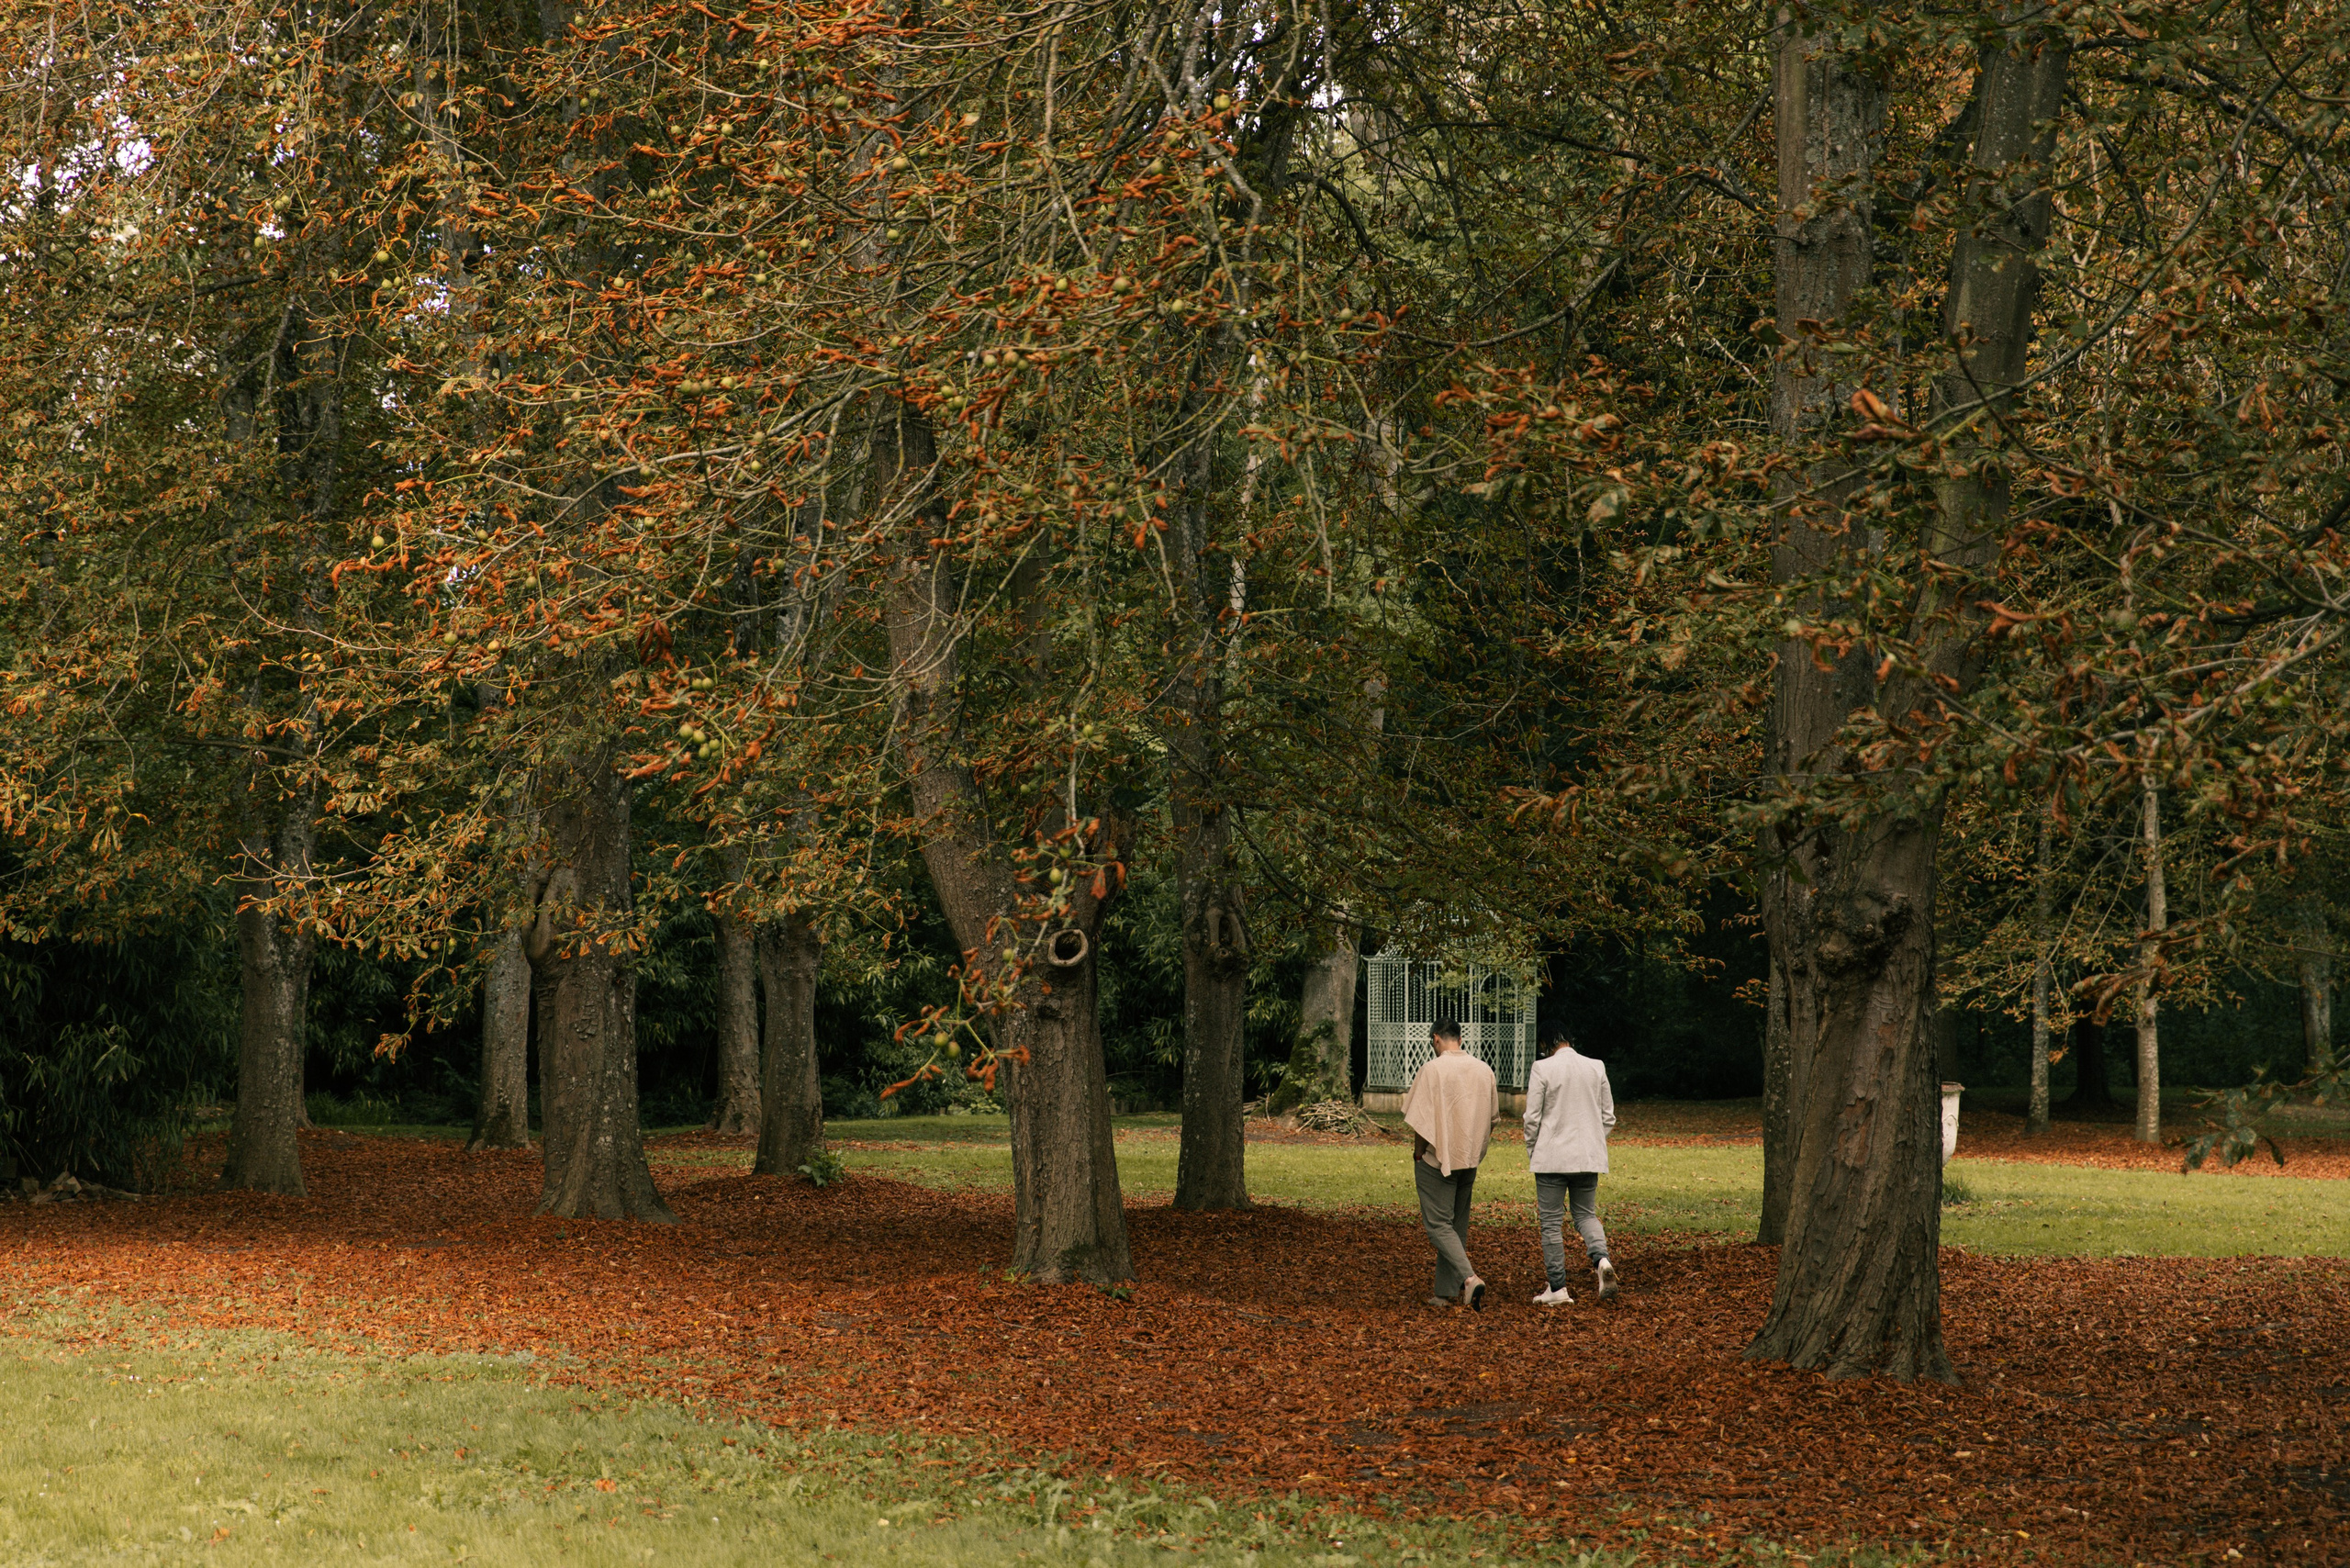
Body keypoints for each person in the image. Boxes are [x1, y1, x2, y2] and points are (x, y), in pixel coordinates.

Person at [1401, 1018, 1499, 1310]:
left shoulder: (1433, 1069)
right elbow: (1493, 1119)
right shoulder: (1484, 1070)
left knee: (1438, 1225)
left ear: (1436, 1039)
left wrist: (1418, 1152)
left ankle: (1469, 1280)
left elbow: (1420, 1118)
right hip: (1468, 1158)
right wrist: (1474, 1149)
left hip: (1437, 1158)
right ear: (1459, 1038)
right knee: (1455, 1225)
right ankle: (1443, 1293)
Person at [1522, 1024, 1618, 1304]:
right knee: (1586, 1215)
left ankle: (1557, 1287)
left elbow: (1532, 1119)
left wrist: (1534, 1150)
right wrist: (1593, 1142)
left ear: (1546, 1043)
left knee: (1551, 1224)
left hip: (1551, 1158)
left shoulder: (1542, 1069)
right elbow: (1608, 1116)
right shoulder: (1596, 1066)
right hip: (1588, 1157)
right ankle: (1602, 1261)